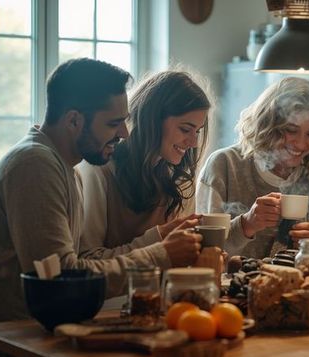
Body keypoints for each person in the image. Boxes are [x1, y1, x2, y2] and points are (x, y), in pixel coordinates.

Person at [0, 58, 201, 357]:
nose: (125, 134)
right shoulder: (35, 165)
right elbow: (61, 278)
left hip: (24, 336)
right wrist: (161, 255)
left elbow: (80, 261)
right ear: (74, 120)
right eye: (113, 123)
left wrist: (157, 240)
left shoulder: (64, 167)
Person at [196, 77, 309, 259]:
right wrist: (246, 225)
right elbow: (203, 253)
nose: (301, 144)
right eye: (291, 130)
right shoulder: (224, 165)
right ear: (268, 125)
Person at [77, 70, 211, 258]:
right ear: (152, 120)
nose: (194, 142)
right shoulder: (98, 171)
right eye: (185, 129)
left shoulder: (178, 180)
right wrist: (159, 239)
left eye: (197, 131)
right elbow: (87, 259)